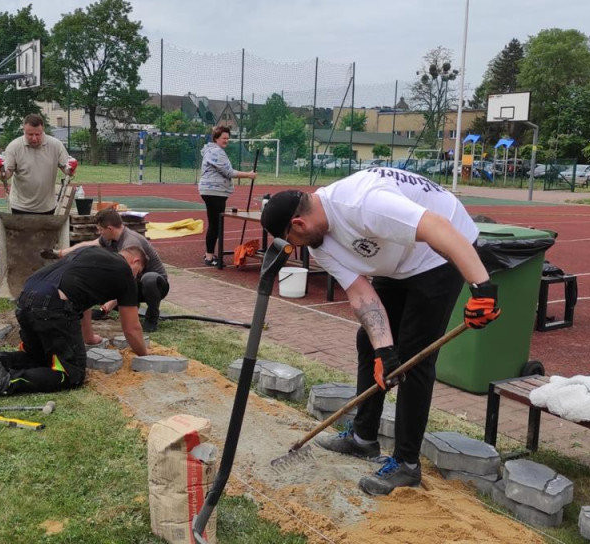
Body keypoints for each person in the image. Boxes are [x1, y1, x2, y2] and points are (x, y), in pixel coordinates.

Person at [259, 168, 501, 495]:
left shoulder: (364, 203)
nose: (298, 248)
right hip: (397, 261)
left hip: (439, 251)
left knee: (414, 359)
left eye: (294, 241)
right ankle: (364, 438)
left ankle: (407, 464)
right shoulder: (318, 244)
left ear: (298, 224)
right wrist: (384, 351)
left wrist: (482, 288)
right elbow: (361, 295)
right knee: (369, 342)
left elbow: (438, 228)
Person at [0, 246, 150, 400]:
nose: (136, 277)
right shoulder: (125, 273)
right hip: (52, 307)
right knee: (72, 374)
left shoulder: (94, 254)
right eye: (139, 272)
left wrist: (89, 338)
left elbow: (84, 303)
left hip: (27, 297)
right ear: (135, 261)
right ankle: (3, 379)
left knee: (39, 357)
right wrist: (145, 356)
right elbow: (131, 328)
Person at [57, 207, 170, 334]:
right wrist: (60, 253)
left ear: (109, 229)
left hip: (155, 285)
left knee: (148, 279)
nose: (100, 233)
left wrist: (107, 306)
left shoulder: (130, 243)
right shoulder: (109, 238)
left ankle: (152, 318)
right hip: (134, 283)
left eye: (100, 230)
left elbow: (127, 279)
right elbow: (88, 245)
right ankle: (131, 306)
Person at [198, 126, 257, 267]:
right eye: (224, 138)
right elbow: (228, 172)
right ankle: (209, 257)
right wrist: (248, 175)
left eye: (227, 138)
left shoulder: (212, 150)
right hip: (214, 192)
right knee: (215, 225)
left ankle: (209, 254)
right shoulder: (216, 152)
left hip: (213, 191)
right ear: (216, 138)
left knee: (215, 224)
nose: (226, 141)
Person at [0, 114, 77, 215]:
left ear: (43, 130)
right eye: (30, 134)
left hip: (47, 208)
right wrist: (0, 169)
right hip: (19, 207)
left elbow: (67, 170)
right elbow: (5, 176)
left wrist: (72, 168)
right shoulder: (14, 146)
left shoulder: (56, 145)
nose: (34, 138)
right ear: (23, 131)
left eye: (38, 134)